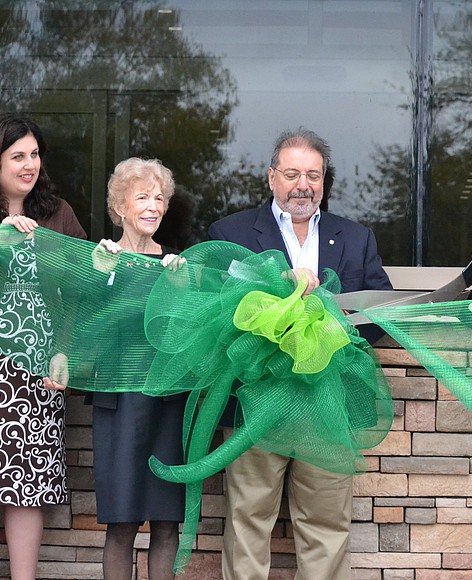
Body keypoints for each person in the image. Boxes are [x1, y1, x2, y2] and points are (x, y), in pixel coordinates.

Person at [208, 127, 392, 580]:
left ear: (325, 181)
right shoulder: (229, 232)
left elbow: (381, 313)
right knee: (248, 519)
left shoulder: (356, 237)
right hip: (254, 401)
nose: (302, 185)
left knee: (326, 526)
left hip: (328, 404)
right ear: (271, 178)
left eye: (313, 174)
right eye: (292, 174)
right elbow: (213, 312)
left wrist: (329, 321)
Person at [82, 158, 187, 580]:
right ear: (120, 207)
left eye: (159, 198)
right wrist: (101, 277)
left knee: (166, 521)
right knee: (122, 522)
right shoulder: (101, 259)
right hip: (119, 405)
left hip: (168, 403)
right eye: (142, 197)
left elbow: (190, 336)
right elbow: (86, 330)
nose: (152, 206)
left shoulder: (177, 265)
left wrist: (183, 289)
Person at [0, 112, 86, 579]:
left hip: (35, 371)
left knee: (24, 486)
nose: (29, 164)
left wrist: (66, 351)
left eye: (34, 154)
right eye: (17, 156)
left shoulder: (57, 214)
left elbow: (80, 293)